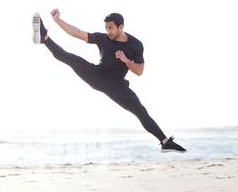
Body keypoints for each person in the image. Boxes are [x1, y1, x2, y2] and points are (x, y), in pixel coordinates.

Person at [32, 9, 187, 153]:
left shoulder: (136, 45)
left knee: (141, 111)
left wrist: (126, 60)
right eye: (106, 27)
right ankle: (44, 37)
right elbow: (78, 33)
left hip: (117, 85)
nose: (108, 31)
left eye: (111, 28)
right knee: (71, 58)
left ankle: (165, 142)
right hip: (97, 76)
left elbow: (139, 71)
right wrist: (58, 20)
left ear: (121, 27)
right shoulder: (103, 38)